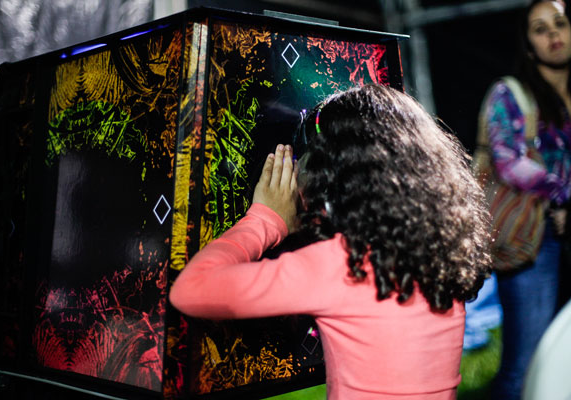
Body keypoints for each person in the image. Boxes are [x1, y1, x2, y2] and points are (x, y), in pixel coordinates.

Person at [170, 83, 492, 399]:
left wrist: (264, 220)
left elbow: (191, 289)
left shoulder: (341, 265)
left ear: (333, 179)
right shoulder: (439, 251)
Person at [480, 1, 571, 399]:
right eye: (540, 28)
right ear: (529, 44)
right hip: (533, 236)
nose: (553, 34)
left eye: (560, 23)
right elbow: (506, 160)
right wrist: (562, 195)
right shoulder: (510, 93)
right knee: (527, 361)